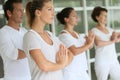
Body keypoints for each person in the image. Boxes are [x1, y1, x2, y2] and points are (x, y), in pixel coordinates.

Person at [23, 0, 73, 80]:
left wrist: (59, 64)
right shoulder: (30, 36)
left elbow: (70, 54)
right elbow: (44, 66)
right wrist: (61, 64)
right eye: (49, 9)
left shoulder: (50, 35)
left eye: (53, 10)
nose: (53, 13)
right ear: (38, 13)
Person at [57, 7, 95, 80]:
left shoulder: (77, 34)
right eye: (74, 16)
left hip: (82, 71)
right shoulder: (64, 36)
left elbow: (90, 46)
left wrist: (91, 39)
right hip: (71, 73)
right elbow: (75, 51)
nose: (77, 17)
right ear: (66, 19)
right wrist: (88, 43)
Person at [0, 0, 31, 80]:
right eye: (19, 10)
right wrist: (33, 51)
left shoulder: (25, 31)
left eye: (23, 10)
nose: (22, 13)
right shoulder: (3, 33)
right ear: (9, 13)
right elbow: (14, 54)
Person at [91, 6, 120, 80]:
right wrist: (112, 40)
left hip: (114, 61)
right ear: (97, 17)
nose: (106, 17)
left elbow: (117, 39)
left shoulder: (110, 29)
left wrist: (115, 37)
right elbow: (98, 43)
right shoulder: (94, 31)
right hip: (102, 62)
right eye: (104, 16)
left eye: (106, 16)